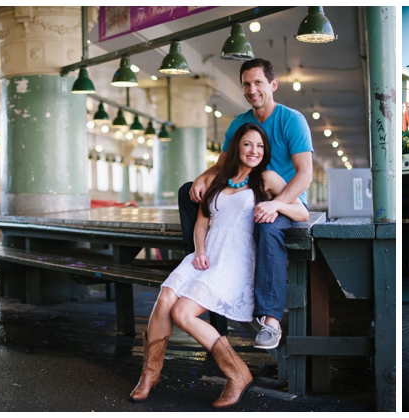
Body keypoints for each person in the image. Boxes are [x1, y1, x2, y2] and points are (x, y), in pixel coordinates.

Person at [131, 123, 309, 408]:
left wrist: (276, 206)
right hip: (206, 256)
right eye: (248, 144)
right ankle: (150, 374)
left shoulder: (267, 178)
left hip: (234, 261)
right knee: (165, 298)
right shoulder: (221, 179)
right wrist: (199, 250)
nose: (254, 151)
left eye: (260, 146)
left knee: (183, 313)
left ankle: (237, 373)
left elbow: (301, 212)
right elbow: (202, 223)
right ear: (237, 146)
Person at [179, 57, 313, 350]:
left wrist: (276, 204)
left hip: (282, 197)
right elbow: (221, 167)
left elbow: (305, 174)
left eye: (258, 83)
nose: (252, 90)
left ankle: (271, 321)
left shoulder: (291, 120)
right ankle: (197, 258)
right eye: (247, 84)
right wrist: (202, 179)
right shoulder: (240, 123)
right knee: (187, 191)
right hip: (245, 193)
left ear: (273, 85)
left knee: (268, 227)